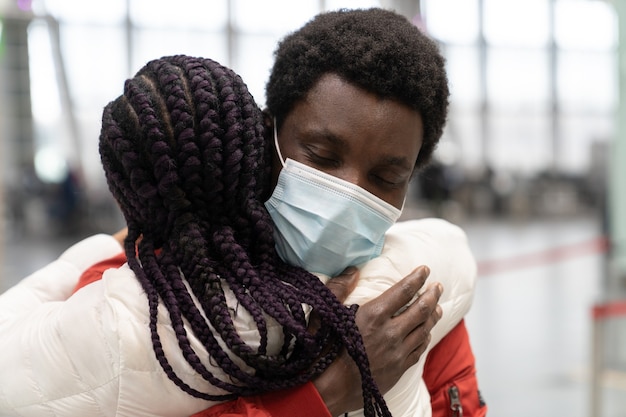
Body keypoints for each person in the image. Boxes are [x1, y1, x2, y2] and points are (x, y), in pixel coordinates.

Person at [77, 7, 485, 417]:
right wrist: (324, 396)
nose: (349, 192)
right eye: (322, 156)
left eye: (386, 177)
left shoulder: (409, 307)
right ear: (265, 135)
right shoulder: (144, 293)